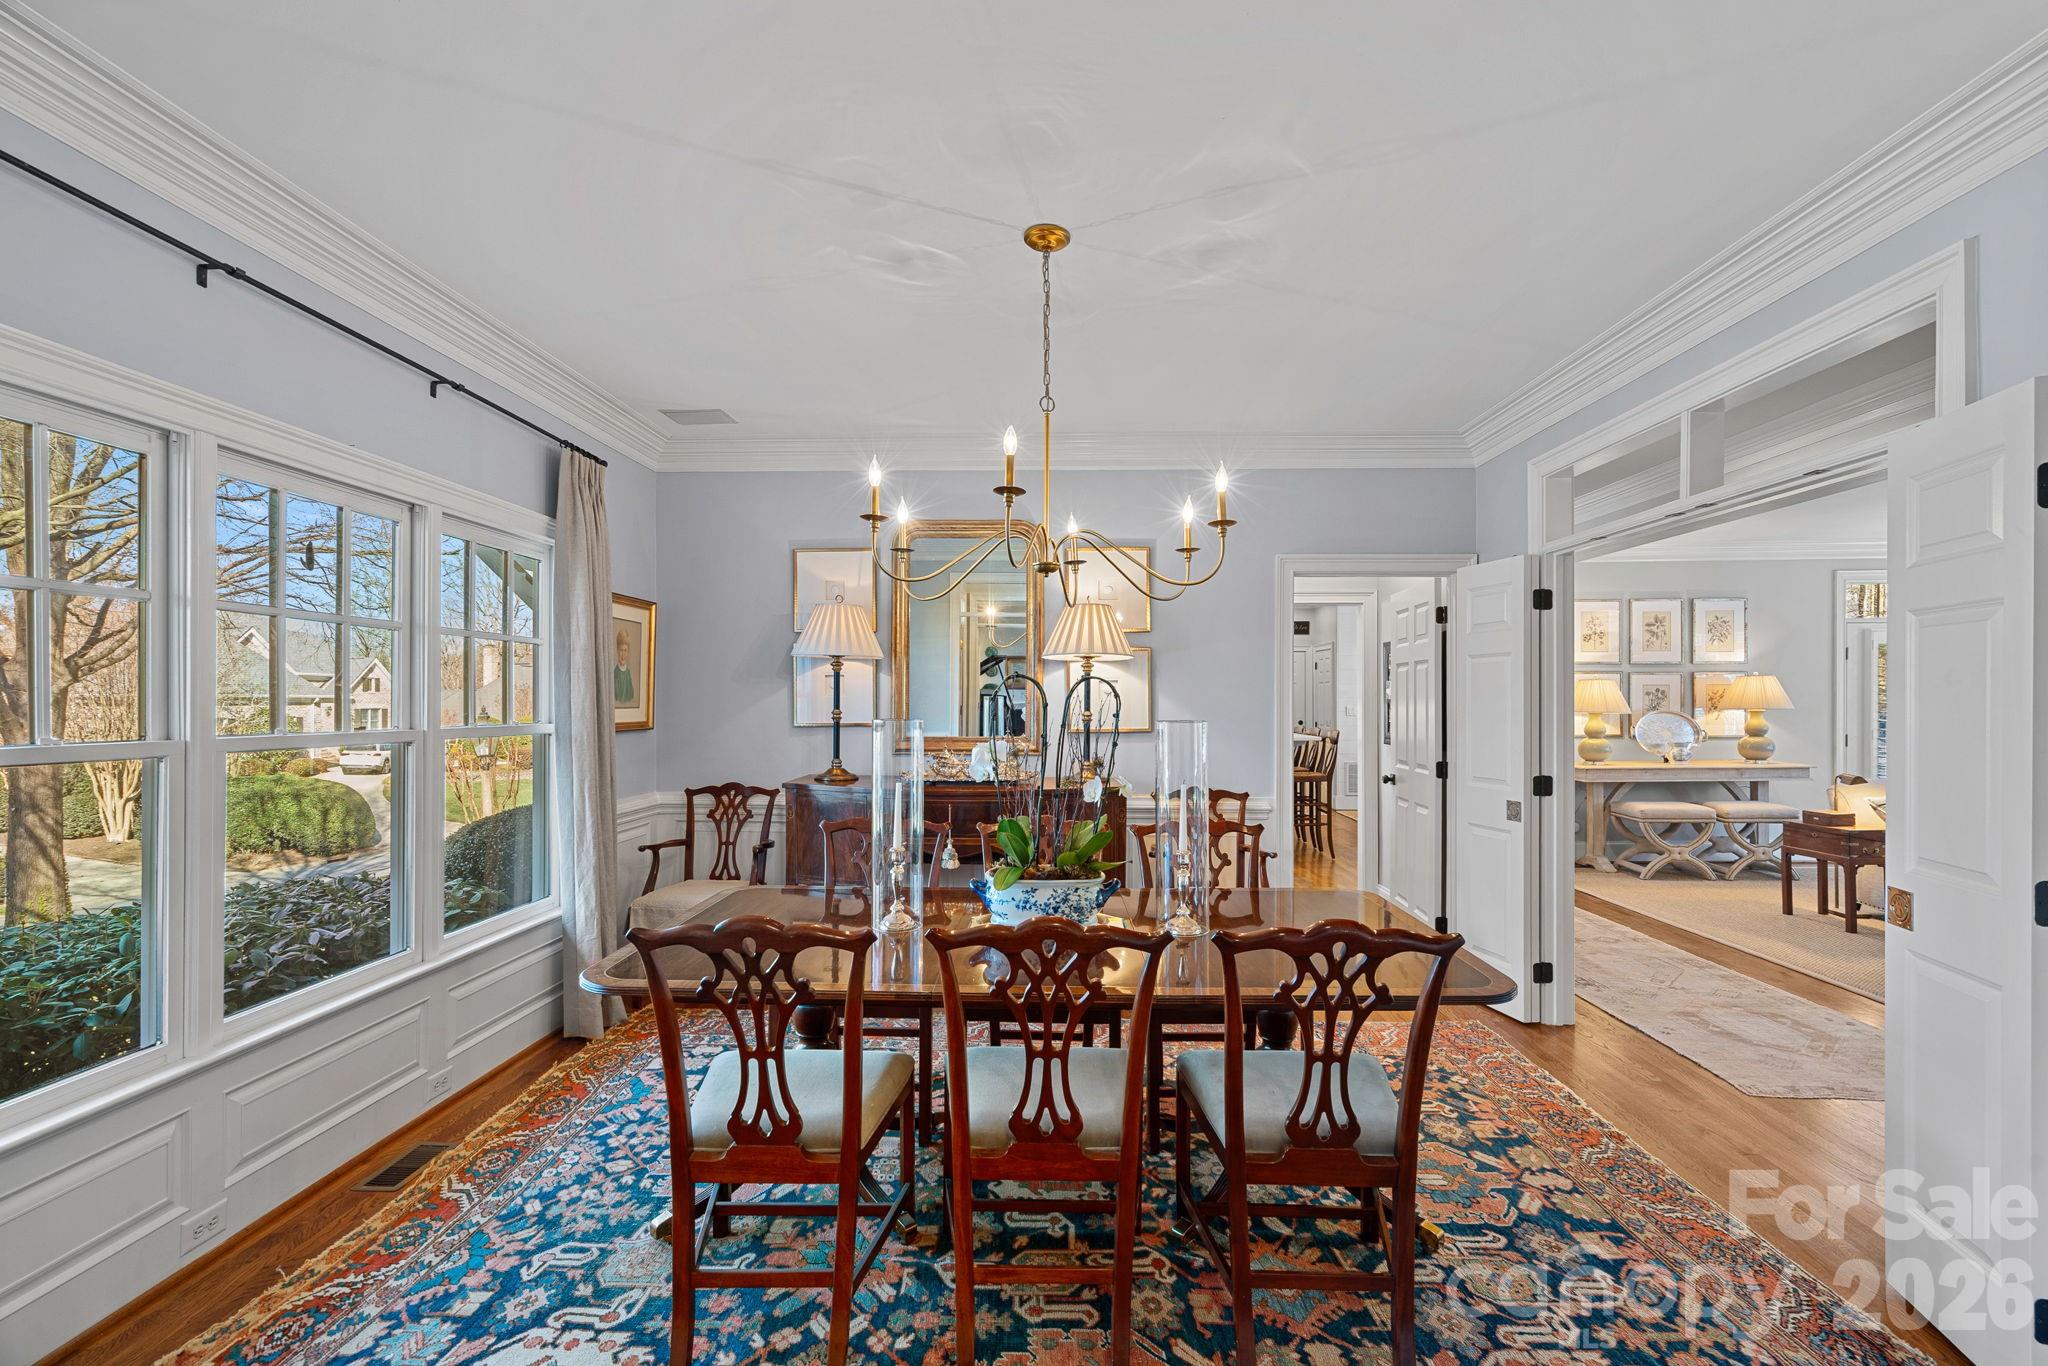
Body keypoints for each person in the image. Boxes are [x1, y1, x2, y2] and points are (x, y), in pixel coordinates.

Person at [614, 628, 635, 704]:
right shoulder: (615, 673)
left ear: (628, 652)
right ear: (617, 651)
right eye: (621, 650)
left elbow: (631, 695)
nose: (623, 654)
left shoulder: (628, 673)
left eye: (625, 650)